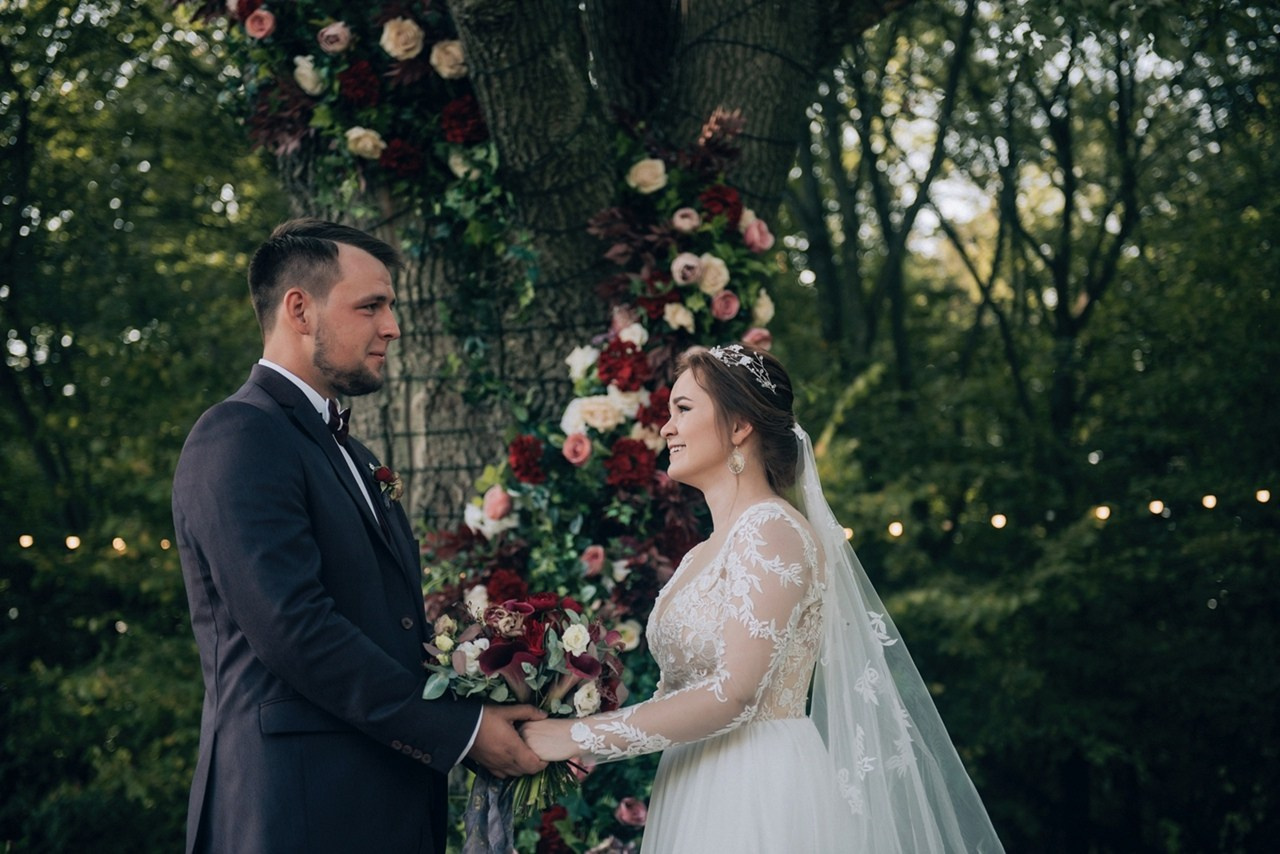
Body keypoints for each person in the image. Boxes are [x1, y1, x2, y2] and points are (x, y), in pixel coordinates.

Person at [523, 343, 1005, 852]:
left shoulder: (771, 529)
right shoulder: (700, 555)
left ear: (738, 427)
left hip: (755, 787)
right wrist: (571, 730)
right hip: (691, 781)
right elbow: (677, 698)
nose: (666, 428)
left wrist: (571, 739)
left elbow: (734, 694)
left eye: (683, 410)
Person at [171, 218, 546, 854]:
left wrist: (483, 681)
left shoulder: (358, 454)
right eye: (371, 306)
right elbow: (296, 630)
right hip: (293, 809)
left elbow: (385, 625)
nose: (392, 326)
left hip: (387, 802)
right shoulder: (239, 435)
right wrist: (459, 731)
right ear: (300, 310)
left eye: (390, 306)